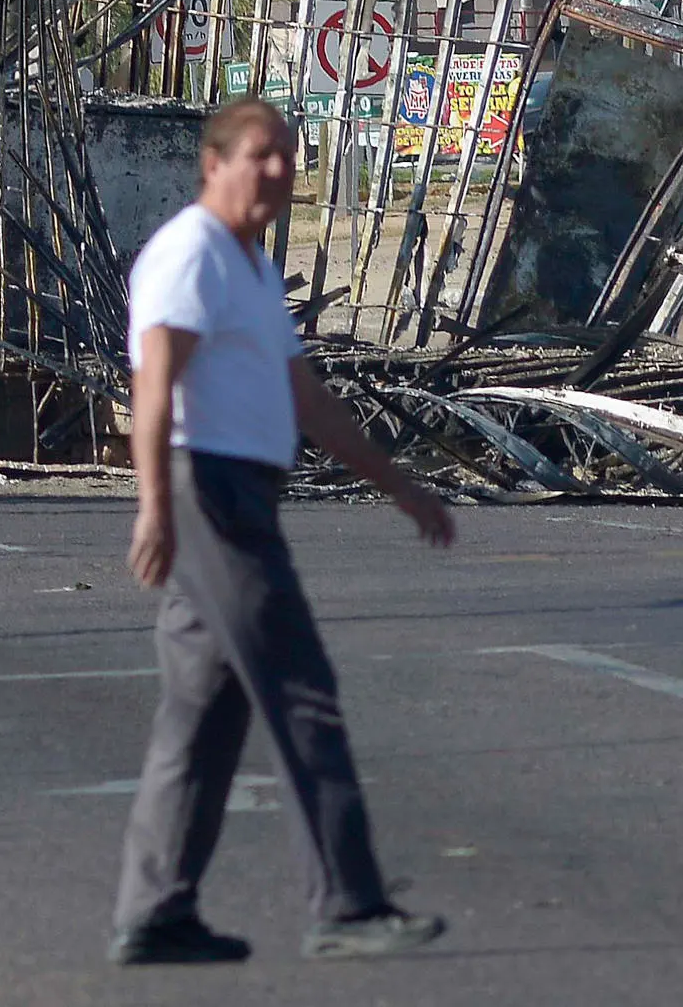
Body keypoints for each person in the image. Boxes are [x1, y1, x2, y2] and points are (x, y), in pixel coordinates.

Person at [110, 97, 458, 966]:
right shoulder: (190, 253)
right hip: (210, 492)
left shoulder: (253, 268)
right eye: (260, 154)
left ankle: (155, 913)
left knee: (202, 714)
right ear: (213, 163)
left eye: (288, 156)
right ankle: (347, 902)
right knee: (302, 688)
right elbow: (155, 389)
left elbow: (309, 400)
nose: (278, 170)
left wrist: (401, 487)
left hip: (243, 491)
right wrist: (155, 507)